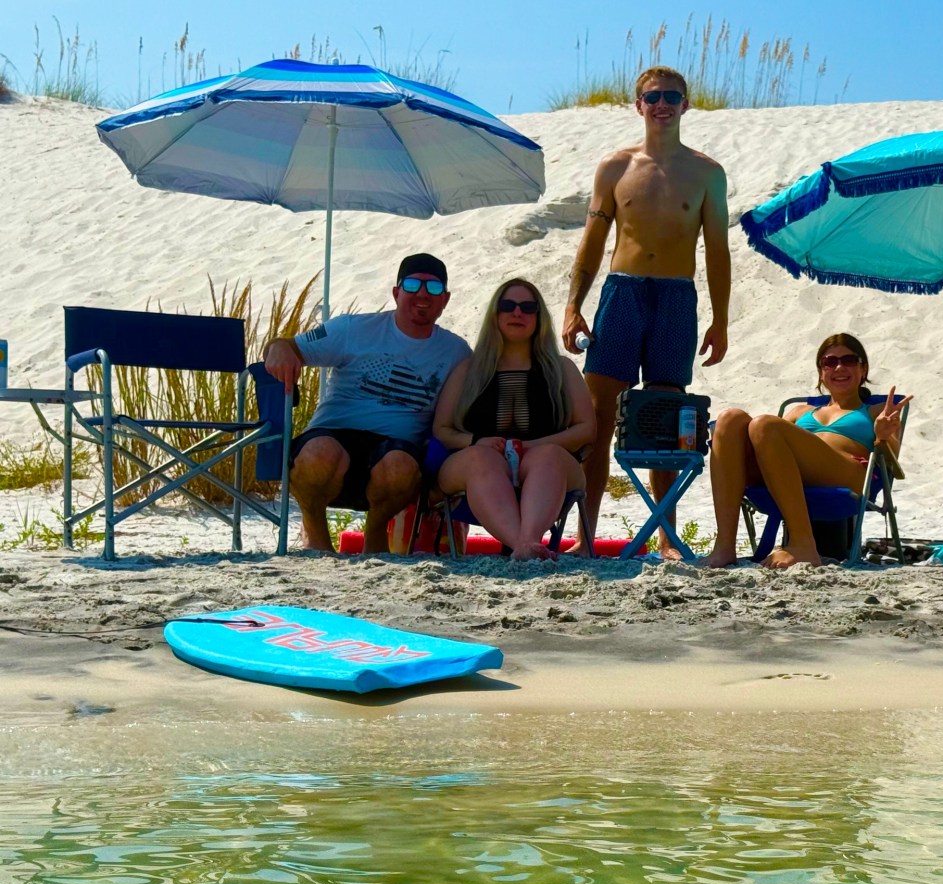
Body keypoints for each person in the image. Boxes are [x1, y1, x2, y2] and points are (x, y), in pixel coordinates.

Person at [562, 65, 731, 560]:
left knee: (663, 413)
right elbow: (592, 243)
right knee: (597, 415)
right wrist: (574, 307)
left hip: (676, 297)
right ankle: (587, 534)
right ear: (638, 105)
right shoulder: (615, 168)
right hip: (622, 294)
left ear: (685, 104)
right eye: (653, 97)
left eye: (671, 96)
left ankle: (666, 535)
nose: (662, 104)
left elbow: (717, 251)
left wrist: (721, 320)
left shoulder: (706, 172)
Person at [264, 252, 469, 554]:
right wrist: (279, 347)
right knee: (318, 453)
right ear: (396, 292)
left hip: (397, 447)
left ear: (446, 299)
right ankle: (316, 539)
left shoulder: (457, 352)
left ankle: (375, 539)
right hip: (334, 433)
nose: (423, 294)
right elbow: (287, 346)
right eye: (413, 285)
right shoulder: (352, 329)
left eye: (434, 288)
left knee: (400, 465)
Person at [704, 334, 912, 570]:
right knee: (730, 419)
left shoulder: (876, 411)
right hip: (792, 476)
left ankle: (803, 543)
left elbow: (892, 461)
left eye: (849, 360)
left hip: (848, 473)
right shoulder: (799, 411)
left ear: (863, 369)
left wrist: (883, 435)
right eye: (830, 362)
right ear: (821, 372)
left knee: (765, 424)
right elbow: (769, 447)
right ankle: (724, 546)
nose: (839, 367)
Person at [432, 279, 595, 561]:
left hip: (548, 464)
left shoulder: (562, 369)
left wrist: (533, 445)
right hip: (477, 461)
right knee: (482, 458)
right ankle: (525, 546)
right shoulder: (469, 370)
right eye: (507, 306)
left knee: (548, 457)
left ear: (539, 317)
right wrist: (475, 441)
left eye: (527, 307)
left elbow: (587, 429)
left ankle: (526, 542)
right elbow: (441, 429)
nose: (517, 313)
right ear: (494, 315)